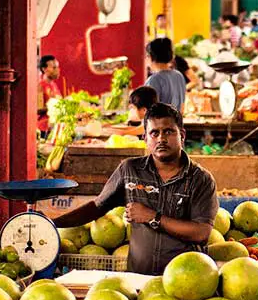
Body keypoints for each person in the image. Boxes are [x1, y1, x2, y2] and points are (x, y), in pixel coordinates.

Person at [53, 103, 218, 275]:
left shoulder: (200, 179)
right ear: (145, 138)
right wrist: (55, 223)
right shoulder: (130, 170)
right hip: (138, 278)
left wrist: (153, 217)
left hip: (187, 281)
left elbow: (202, 232)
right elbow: (97, 207)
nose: (161, 139)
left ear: (181, 135)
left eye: (168, 131)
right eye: (154, 133)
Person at [145, 38, 186, 111]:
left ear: (150, 57)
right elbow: (182, 108)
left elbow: (149, 111)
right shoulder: (179, 75)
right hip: (176, 121)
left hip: (159, 122)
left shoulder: (153, 80)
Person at [37, 55, 62, 134]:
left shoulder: (53, 84)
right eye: (54, 68)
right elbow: (38, 109)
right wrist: (54, 106)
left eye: (57, 67)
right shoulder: (40, 86)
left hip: (54, 127)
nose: (58, 70)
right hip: (44, 130)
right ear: (44, 69)